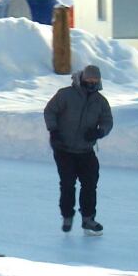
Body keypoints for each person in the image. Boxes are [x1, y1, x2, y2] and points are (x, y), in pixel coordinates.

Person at [44, 65, 113, 235]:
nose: (92, 82)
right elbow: (50, 111)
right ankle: (67, 215)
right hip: (63, 148)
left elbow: (107, 121)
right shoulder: (66, 94)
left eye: (95, 80)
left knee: (90, 184)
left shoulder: (100, 101)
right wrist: (54, 131)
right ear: (82, 78)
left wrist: (99, 132)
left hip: (86, 150)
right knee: (68, 184)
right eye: (89, 79)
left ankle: (88, 218)